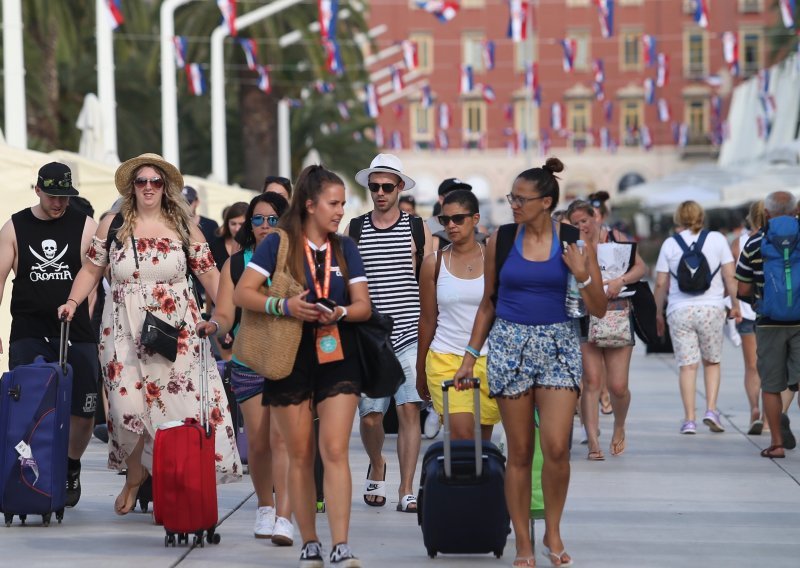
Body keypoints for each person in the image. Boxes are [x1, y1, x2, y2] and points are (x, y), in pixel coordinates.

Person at [57, 153, 241, 516]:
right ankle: (136, 473)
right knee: (128, 409)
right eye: (141, 182)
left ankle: (174, 486)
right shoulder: (112, 224)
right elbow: (92, 270)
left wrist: (226, 319)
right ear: (131, 187)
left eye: (155, 182)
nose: (148, 188)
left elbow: (210, 277)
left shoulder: (184, 225)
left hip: (176, 331)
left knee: (176, 410)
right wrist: (72, 302)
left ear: (166, 186)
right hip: (122, 329)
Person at [455, 158, 607, 568]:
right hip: (509, 345)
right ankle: (523, 540)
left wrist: (584, 275)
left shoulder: (575, 240)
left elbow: (600, 309)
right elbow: (488, 302)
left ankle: (552, 532)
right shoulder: (501, 240)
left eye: (521, 200)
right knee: (520, 451)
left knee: (556, 448)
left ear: (546, 202)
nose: (514, 205)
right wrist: (470, 357)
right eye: (512, 198)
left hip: (558, 345)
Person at [234, 164, 371, 567]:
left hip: (337, 354)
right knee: (298, 452)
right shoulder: (277, 244)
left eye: (343, 204)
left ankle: (341, 544)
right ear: (310, 205)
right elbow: (244, 293)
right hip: (288, 353)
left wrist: (340, 311)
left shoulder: (345, 248)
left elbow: (365, 307)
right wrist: (286, 305)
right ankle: (309, 539)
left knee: (334, 449)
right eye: (333, 203)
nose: (340, 211)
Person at [0, 162, 99, 508]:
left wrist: (88, 314)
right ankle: (30, 466)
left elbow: (93, 276)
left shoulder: (86, 226)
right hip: (28, 327)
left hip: (75, 330)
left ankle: (71, 465)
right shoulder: (15, 226)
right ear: (38, 190)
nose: (59, 203)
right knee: (25, 401)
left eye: (65, 197)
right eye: (53, 196)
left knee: (84, 409)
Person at [197, 192, 293, 543]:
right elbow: (225, 314)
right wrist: (214, 326)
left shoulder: (297, 259)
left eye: (273, 218)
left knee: (281, 439)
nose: (265, 225)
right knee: (259, 441)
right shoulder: (236, 265)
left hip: (288, 361)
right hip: (248, 359)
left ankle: (284, 514)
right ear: (248, 225)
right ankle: (265, 507)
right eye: (258, 219)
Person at [347, 153, 433, 514]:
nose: (380, 192)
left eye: (387, 186)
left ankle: (407, 487)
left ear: (399, 187)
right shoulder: (355, 229)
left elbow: (429, 280)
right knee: (370, 417)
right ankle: (377, 463)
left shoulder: (417, 227)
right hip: (370, 338)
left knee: (409, 409)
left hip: (411, 331)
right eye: (374, 186)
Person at [567, 200, 648, 460]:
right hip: (584, 315)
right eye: (576, 222)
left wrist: (620, 280)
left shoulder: (615, 237)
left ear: (596, 218)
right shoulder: (572, 245)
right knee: (591, 381)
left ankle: (620, 425)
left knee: (618, 386)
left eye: (584, 221)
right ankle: (593, 441)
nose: (581, 226)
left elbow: (640, 267)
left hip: (617, 312)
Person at [416, 190, 500, 440]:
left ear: (475, 219)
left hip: (490, 360)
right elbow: (427, 320)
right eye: (445, 220)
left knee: (483, 444)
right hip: (446, 358)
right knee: (463, 437)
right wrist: (421, 369)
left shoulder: (494, 259)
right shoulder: (434, 262)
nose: (451, 225)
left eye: (458, 219)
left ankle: (477, 480)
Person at [653, 200, 741, 435]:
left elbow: (661, 283)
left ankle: (689, 419)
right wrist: (735, 305)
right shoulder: (717, 240)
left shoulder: (670, 244)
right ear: (702, 217)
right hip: (711, 309)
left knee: (687, 367)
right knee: (711, 362)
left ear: (677, 218)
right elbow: (730, 277)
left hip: (679, 310)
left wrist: (657, 313)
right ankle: (711, 410)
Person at [736, 191, 800, 458]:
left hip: (768, 322)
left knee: (771, 385)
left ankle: (775, 444)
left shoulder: (754, 243)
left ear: (768, 212)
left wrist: (756, 302)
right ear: (796, 210)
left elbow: (743, 287)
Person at [731, 200, 767, 436]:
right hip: (773, 312)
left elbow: (735, 280)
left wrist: (736, 306)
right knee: (774, 367)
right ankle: (767, 416)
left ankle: (754, 408)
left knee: (752, 366)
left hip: (747, 311)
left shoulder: (739, 243)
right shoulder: (780, 240)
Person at [210, 201, 247, 270]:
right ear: (227, 223)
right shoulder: (215, 245)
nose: (237, 229)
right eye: (233, 224)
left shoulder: (257, 246)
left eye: (242, 224)